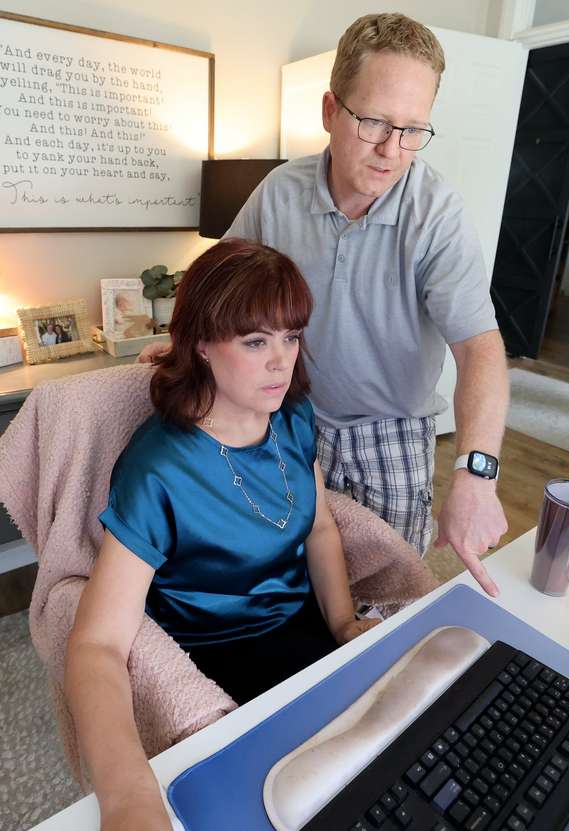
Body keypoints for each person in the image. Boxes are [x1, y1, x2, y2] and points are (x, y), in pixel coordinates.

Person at [144, 14, 510, 595]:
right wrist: (186, 341)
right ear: (329, 112)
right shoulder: (279, 192)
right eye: (375, 123)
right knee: (285, 576)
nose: (393, 151)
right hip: (288, 416)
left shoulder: (437, 214)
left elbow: (479, 347)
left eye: (414, 130)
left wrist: (476, 473)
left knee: (390, 590)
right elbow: (218, 280)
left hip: (389, 430)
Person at [66, 238, 379, 831]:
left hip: (302, 631)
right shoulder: (159, 468)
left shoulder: (293, 417)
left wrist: (342, 624)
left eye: (291, 337)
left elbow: (318, 526)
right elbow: (97, 644)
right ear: (202, 345)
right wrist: (128, 797)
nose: (282, 362)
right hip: (213, 659)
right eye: (256, 341)